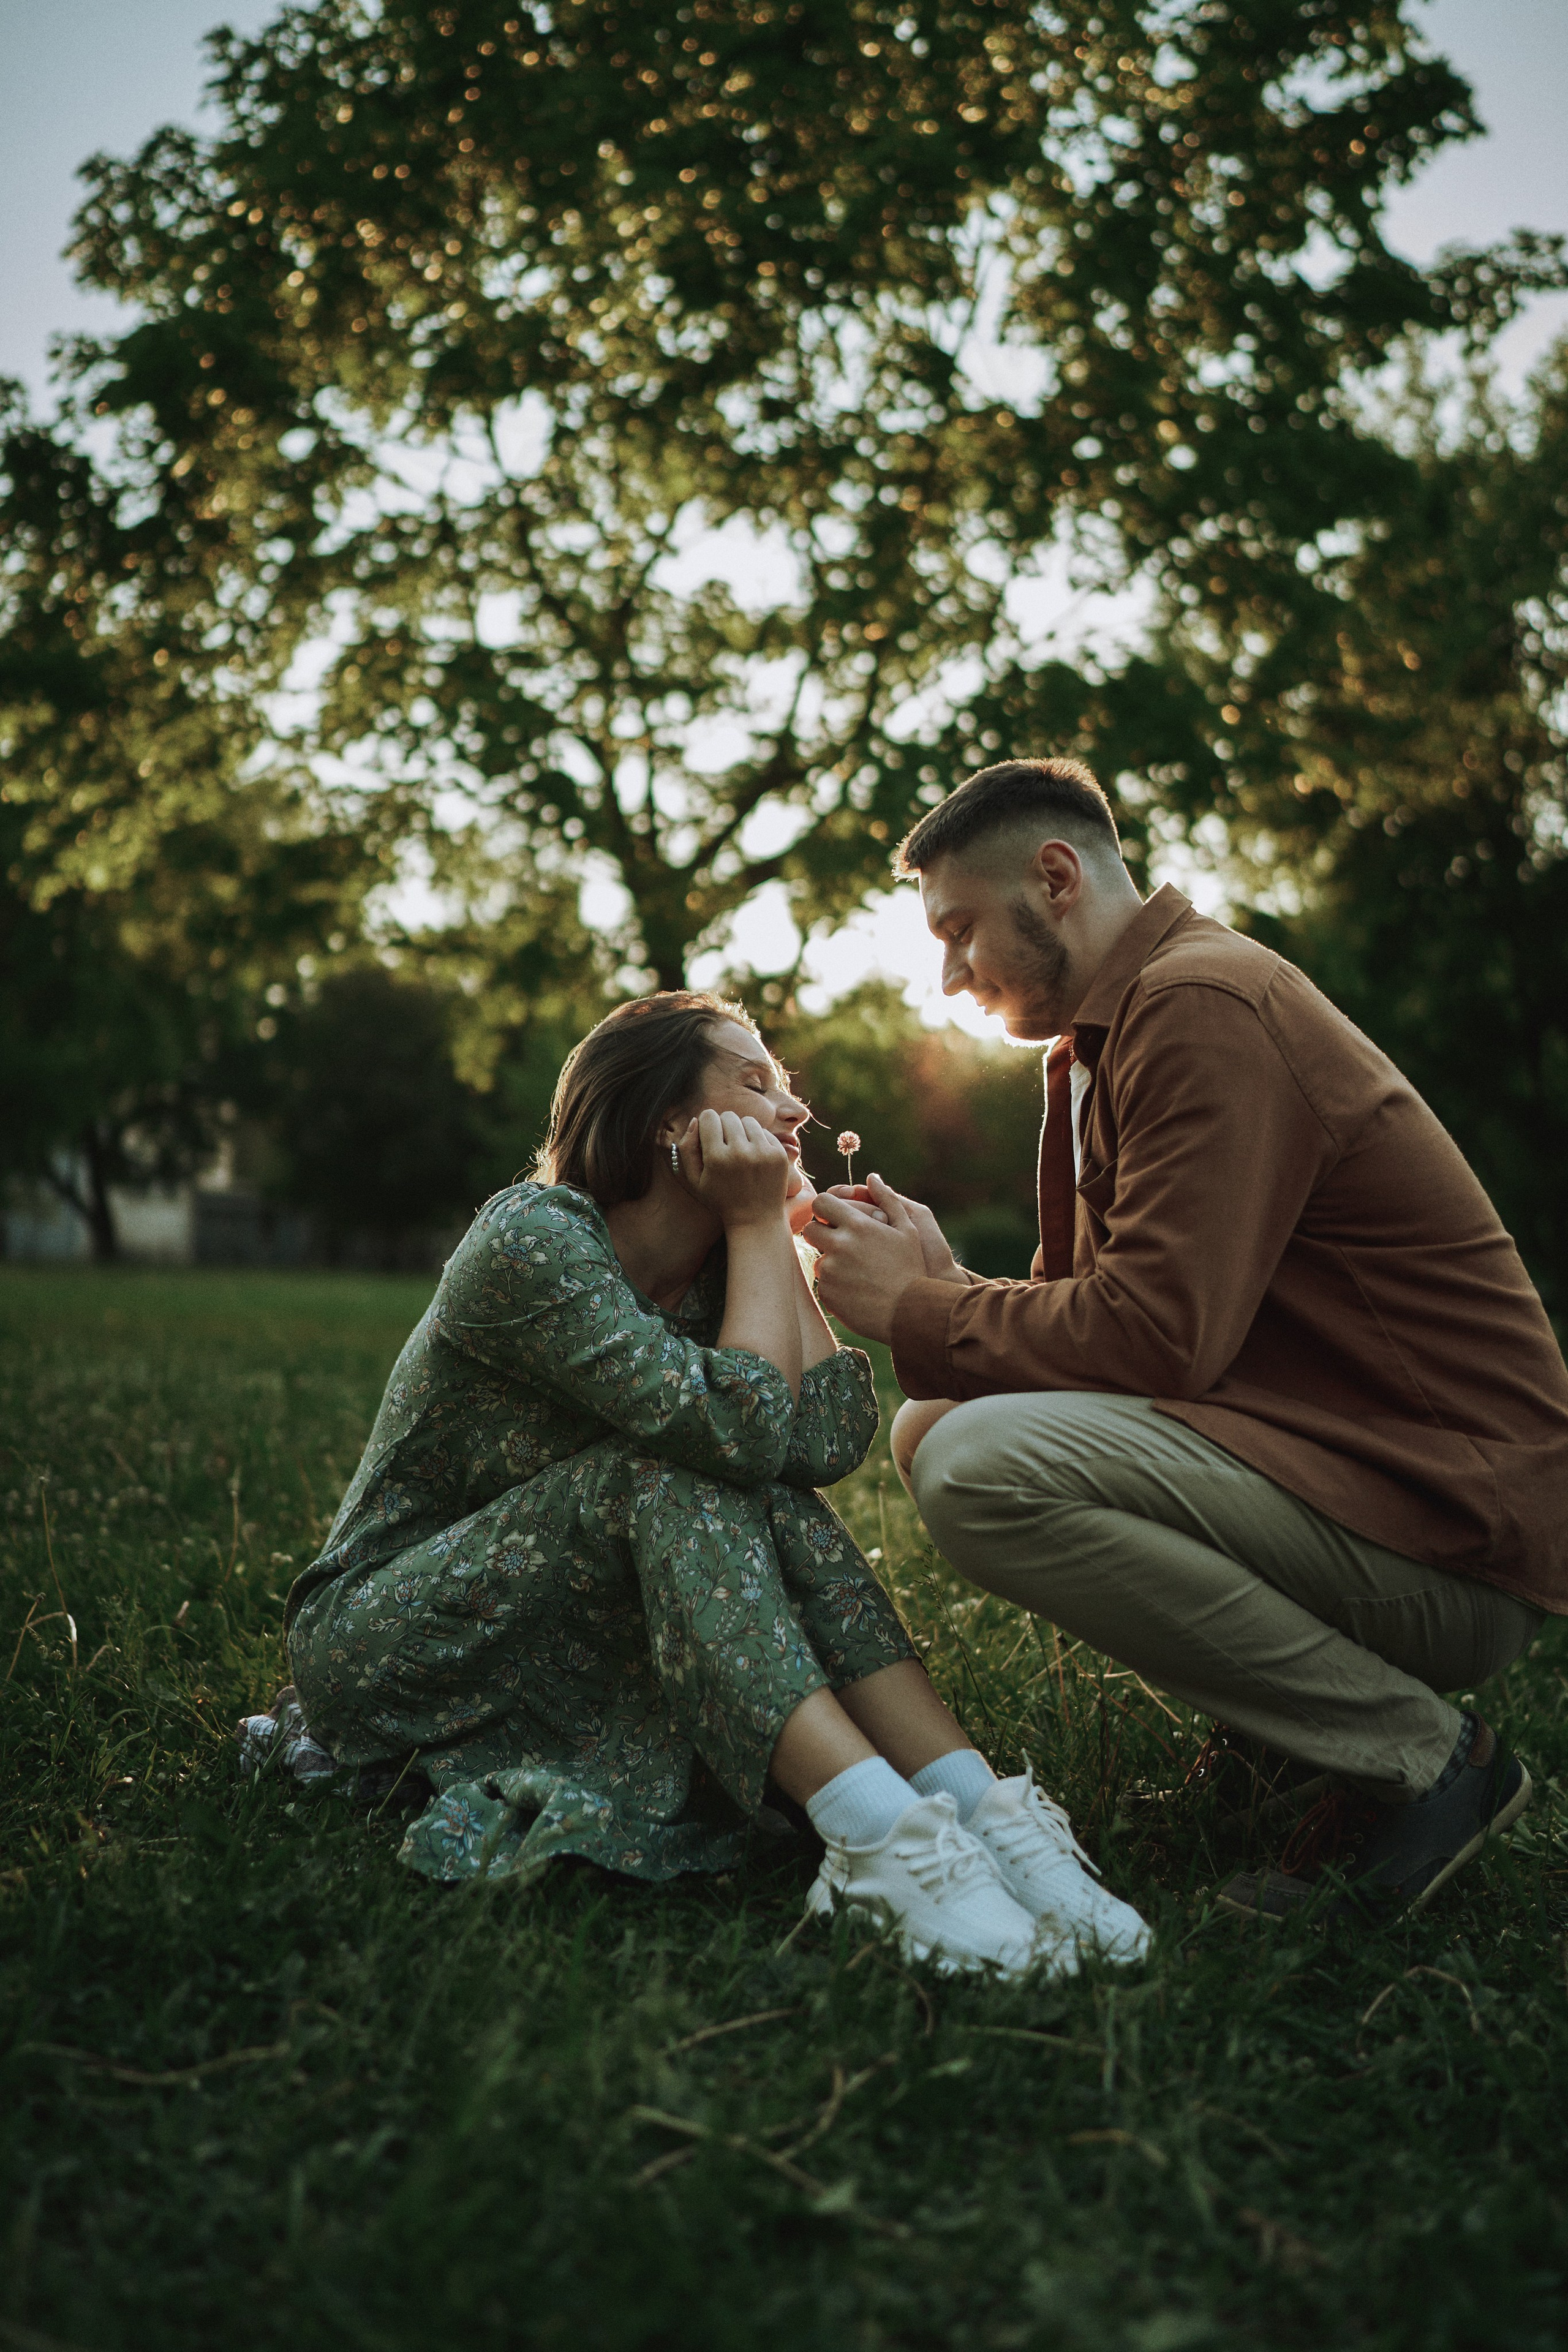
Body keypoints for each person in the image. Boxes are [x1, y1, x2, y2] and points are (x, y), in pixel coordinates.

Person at [809, 758, 1568, 1925]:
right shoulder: (1103, 1039)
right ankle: (1298, 1747)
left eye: (961, 931)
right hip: (1353, 1489)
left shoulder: (1199, 1005)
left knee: (978, 1464)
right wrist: (949, 1281)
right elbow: (1112, 1337)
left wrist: (914, 1312)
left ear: (1055, 878)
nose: (949, 977)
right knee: (942, 1424)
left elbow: (1158, 1338)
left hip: (1447, 1531)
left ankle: (1425, 1764)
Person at [275, 991, 1150, 1976]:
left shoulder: (713, 1275)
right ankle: (877, 1834)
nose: (797, 1112)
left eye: (789, 1089)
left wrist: (770, 1237)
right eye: (756, 1081)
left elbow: (820, 1441)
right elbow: (736, 1431)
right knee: (669, 1470)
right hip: (386, 1638)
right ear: (667, 1123)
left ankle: (977, 1809)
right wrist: (754, 1224)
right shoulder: (533, 1239)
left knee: (755, 1491)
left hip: (566, 1625)